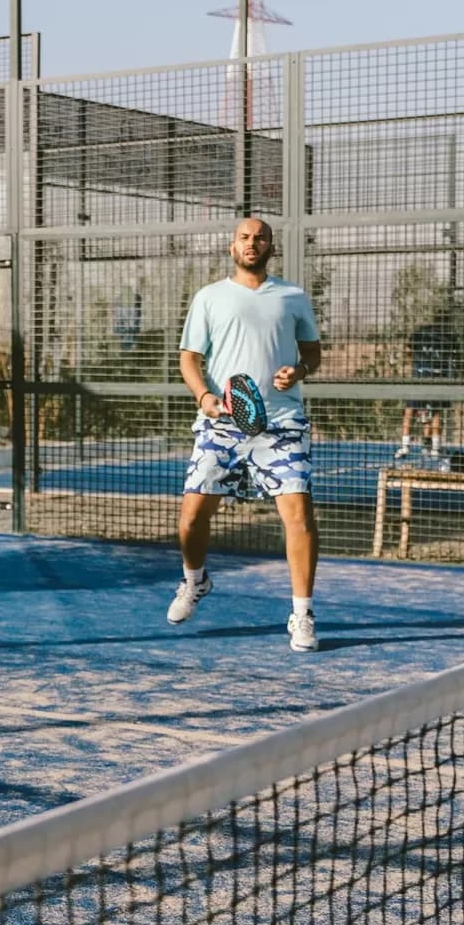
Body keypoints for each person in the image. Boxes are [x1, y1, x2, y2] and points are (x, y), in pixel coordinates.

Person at [170, 218, 323, 651]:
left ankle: (302, 615)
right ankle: (195, 582)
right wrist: (204, 398)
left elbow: (312, 352)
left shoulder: (293, 296)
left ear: (271, 246)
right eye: (244, 237)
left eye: (259, 238)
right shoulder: (209, 298)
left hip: (282, 425)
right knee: (192, 518)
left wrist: (300, 370)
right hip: (220, 424)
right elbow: (189, 358)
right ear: (232, 246)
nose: (251, 243)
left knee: (298, 517)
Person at [397, 307, 459, 459]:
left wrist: (415, 361)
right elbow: (455, 359)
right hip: (437, 378)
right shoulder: (449, 336)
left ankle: (406, 447)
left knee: (411, 410)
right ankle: (435, 449)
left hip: (421, 377)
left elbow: (408, 350)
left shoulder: (422, 332)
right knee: (435, 412)